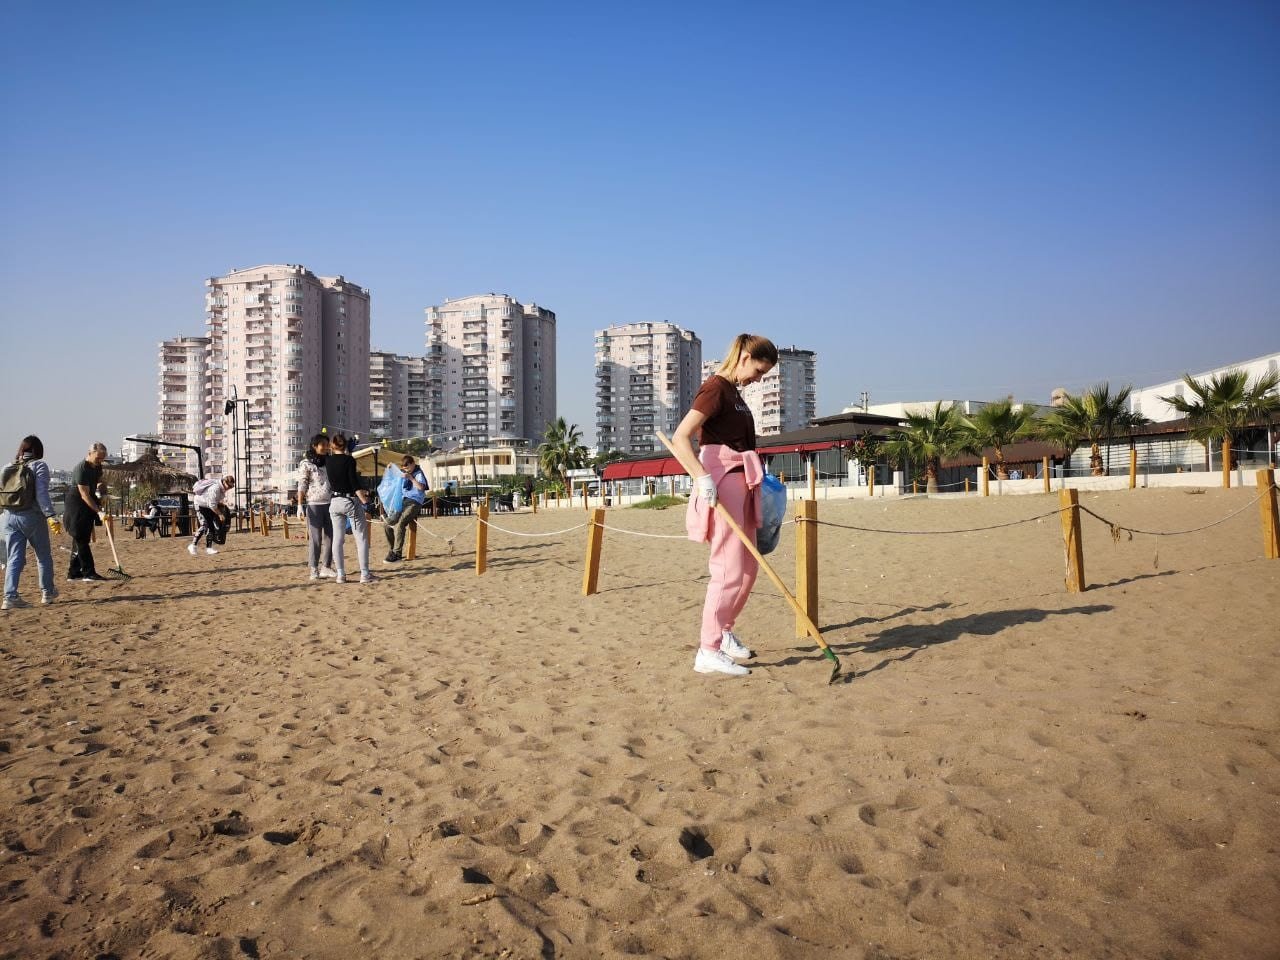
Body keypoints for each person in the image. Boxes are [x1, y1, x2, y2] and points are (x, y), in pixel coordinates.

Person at [671, 334, 778, 678]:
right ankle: (708, 650)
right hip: (724, 482)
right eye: (758, 371)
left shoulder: (735, 394)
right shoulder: (715, 389)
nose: (757, 379)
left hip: (744, 481)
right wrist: (701, 477)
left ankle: (725, 631)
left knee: (748, 569)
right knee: (728, 569)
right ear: (745, 357)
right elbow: (680, 436)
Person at [2, 435, 60, 609]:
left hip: (9, 516)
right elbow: (41, 494)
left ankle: (10, 596)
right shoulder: (39, 466)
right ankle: (47, 592)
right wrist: (50, 515)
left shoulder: (7, 466)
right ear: (38, 450)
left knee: (14, 558)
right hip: (32, 517)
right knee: (42, 556)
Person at [326, 433, 373, 584]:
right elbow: (354, 483)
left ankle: (340, 574)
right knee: (361, 538)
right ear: (345, 445)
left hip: (334, 502)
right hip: (349, 501)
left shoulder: (328, 460)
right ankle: (364, 574)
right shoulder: (349, 460)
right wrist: (364, 500)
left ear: (332, 446)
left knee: (337, 540)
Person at [63, 442, 110, 582]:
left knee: (80, 538)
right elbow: (84, 494)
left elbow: (99, 481)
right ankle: (88, 572)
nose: (100, 461)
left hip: (89, 498)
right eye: (98, 458)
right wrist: (98, 511)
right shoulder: (81, 468)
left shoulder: (97, 466)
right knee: (81, 538)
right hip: (77, 501)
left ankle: (73, 573)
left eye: (102, 458)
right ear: (90, 453)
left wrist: (103, 492)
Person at [296, 433, 336, 580]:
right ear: (315, 446)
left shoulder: (329, 462)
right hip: (314, 505)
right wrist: (300, 505)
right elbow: (302, 484)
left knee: (331, 537)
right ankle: (314, 568)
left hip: (330, 503)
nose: (326, 447)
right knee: (316, 539)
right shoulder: (306, 464)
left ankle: (326, 566)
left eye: (327, 445)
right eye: (323, 445)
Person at [384, 455, 429, 562]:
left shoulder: (418, 473)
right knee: (387, 524)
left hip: (415, 502)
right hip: (403, 502)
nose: (406, 470)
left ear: (413, 463)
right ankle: (392, 549)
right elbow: (396, 472)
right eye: (405, 468)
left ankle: (397, 554)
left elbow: (422, 488)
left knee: (400, 524)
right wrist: (391, 467)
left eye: (408, 467)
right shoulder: (404, 472)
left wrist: (411, 478)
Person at [189, 475, 234, 555]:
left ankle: (209, 548)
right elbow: (212, 504)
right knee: (204, 525)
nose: (229, 488)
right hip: (200, 505)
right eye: (229, 486)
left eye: (231, 486)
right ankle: (193, 545)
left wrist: (220, 504)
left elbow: (212, 501)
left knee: (211, 527)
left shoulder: (221, 489)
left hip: (208, 505)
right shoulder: (216, 488)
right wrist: (220, 514)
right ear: (224, 482)